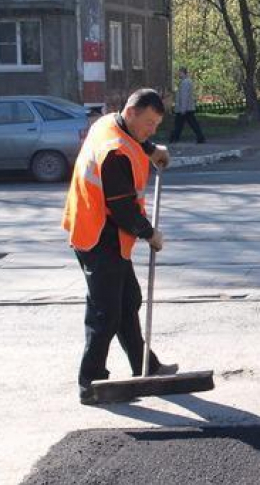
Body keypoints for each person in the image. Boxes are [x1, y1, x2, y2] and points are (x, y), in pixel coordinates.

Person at [63, 89, 178, 405]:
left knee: (129, 300)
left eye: (156, 125)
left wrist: (151, 149)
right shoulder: (114, 152)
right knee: (106, 313)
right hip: (98, 235)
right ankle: (91, 383)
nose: (151, 129)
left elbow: (133, 138)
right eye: (149, 123)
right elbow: (124, 208)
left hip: (104, 232)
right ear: (131, 112)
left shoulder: (109, 123)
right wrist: (150, 233)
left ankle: (146, 366)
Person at [169, 67, 205, 144]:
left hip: (184, 109)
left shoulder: (185, 83)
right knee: (185, 124)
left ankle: (175, 138)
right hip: (186, 108)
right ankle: (175, 138)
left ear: (183, 73)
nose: (178, 74)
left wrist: (183, 109)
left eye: (180, 73)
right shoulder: (186, 82)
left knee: (181, 124)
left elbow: (184, 96)